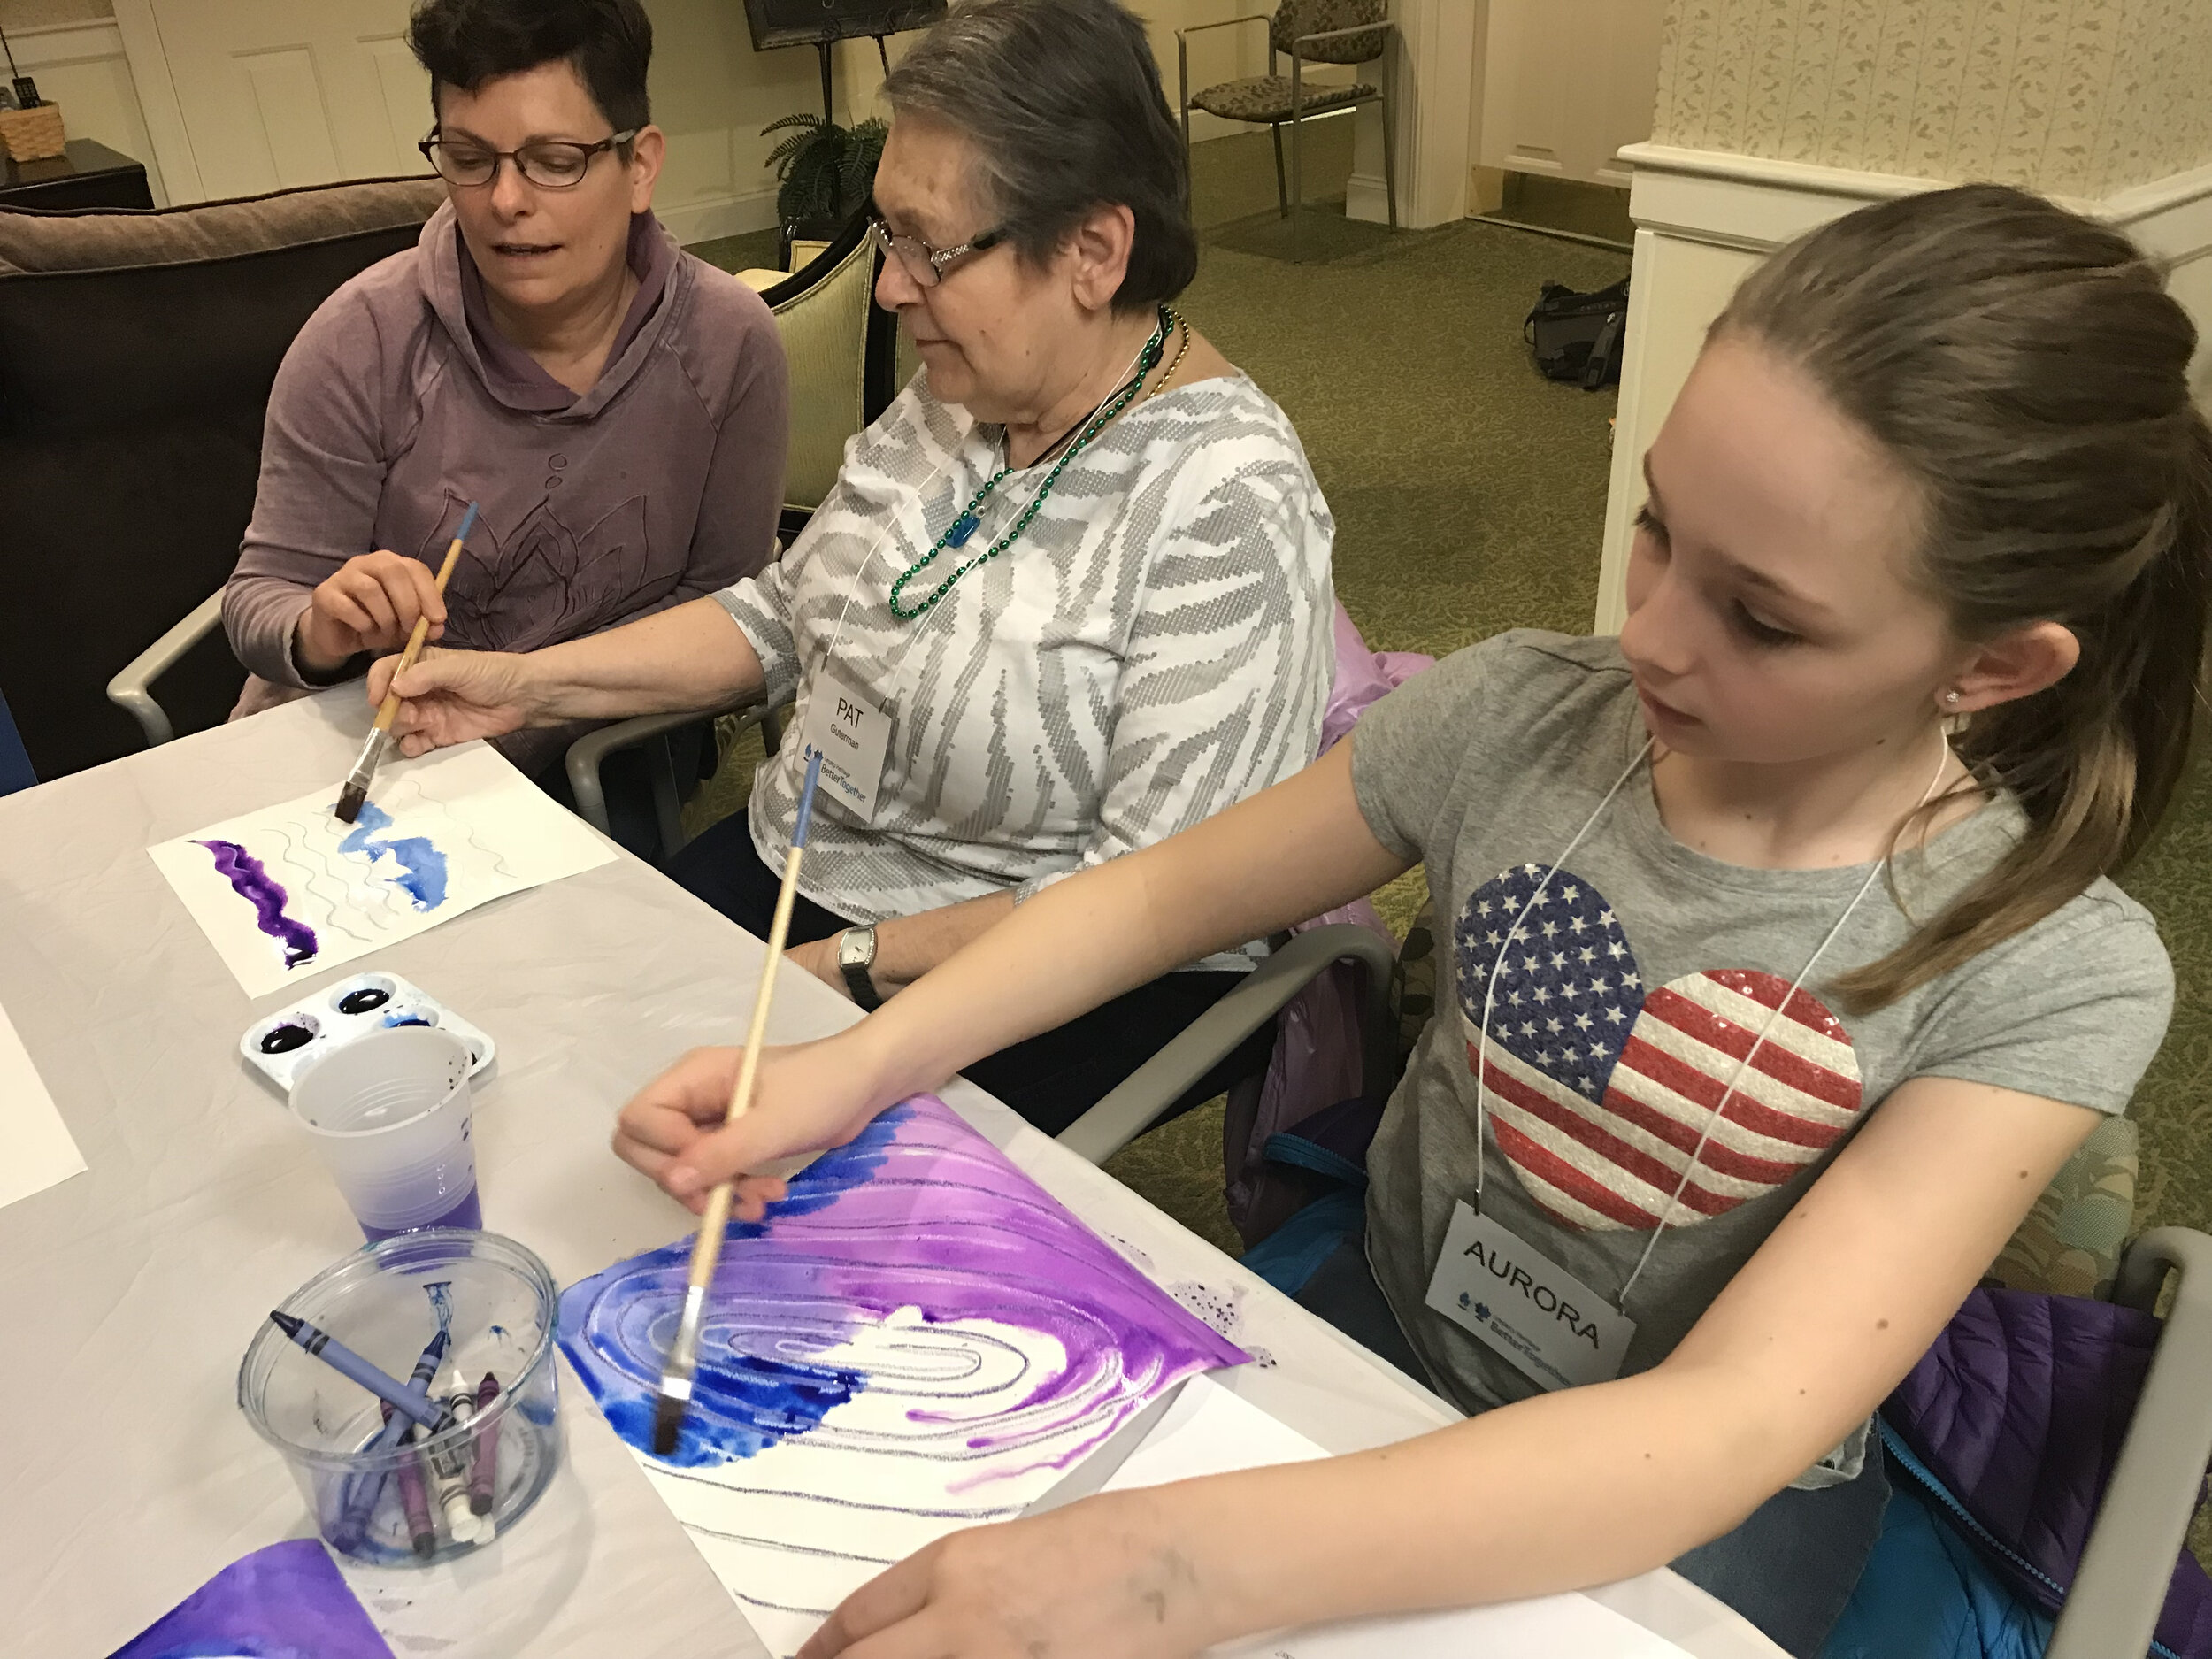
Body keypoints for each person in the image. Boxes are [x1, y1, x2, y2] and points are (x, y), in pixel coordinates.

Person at [608, 183, 2202, 1659]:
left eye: (1763, 618)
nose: (1650, 634)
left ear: (1992, 665)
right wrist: (858, 1064)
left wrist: (1162, 1569)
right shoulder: (1516, 711)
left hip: (1683, 1491)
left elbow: (1731, 1418)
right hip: (1389, 1319)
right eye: (1658, 527)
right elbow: (1156, 897)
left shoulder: (2049, 962)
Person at [369, 0, 1336, 1133]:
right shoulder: (962, 392)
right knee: (537, 1056)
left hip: (1032, 972)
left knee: (678, 1157)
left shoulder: (1227, 501)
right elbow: (783, 616)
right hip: (801, 864)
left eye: (930, 248)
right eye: (889, 238)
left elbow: (1146, 903)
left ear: (1093, 252)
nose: (888, 287)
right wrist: (524, 687)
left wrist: (847, 967)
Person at [223, 0, 787, 849]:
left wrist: (529, 693)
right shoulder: (360, 339)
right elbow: (259, 597)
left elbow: (727, 614)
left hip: (592, 754)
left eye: (555, 162)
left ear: (639, 166)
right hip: (355, 759)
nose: (505, 201)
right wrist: (321, 626)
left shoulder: (730, 344)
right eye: (468, 159)